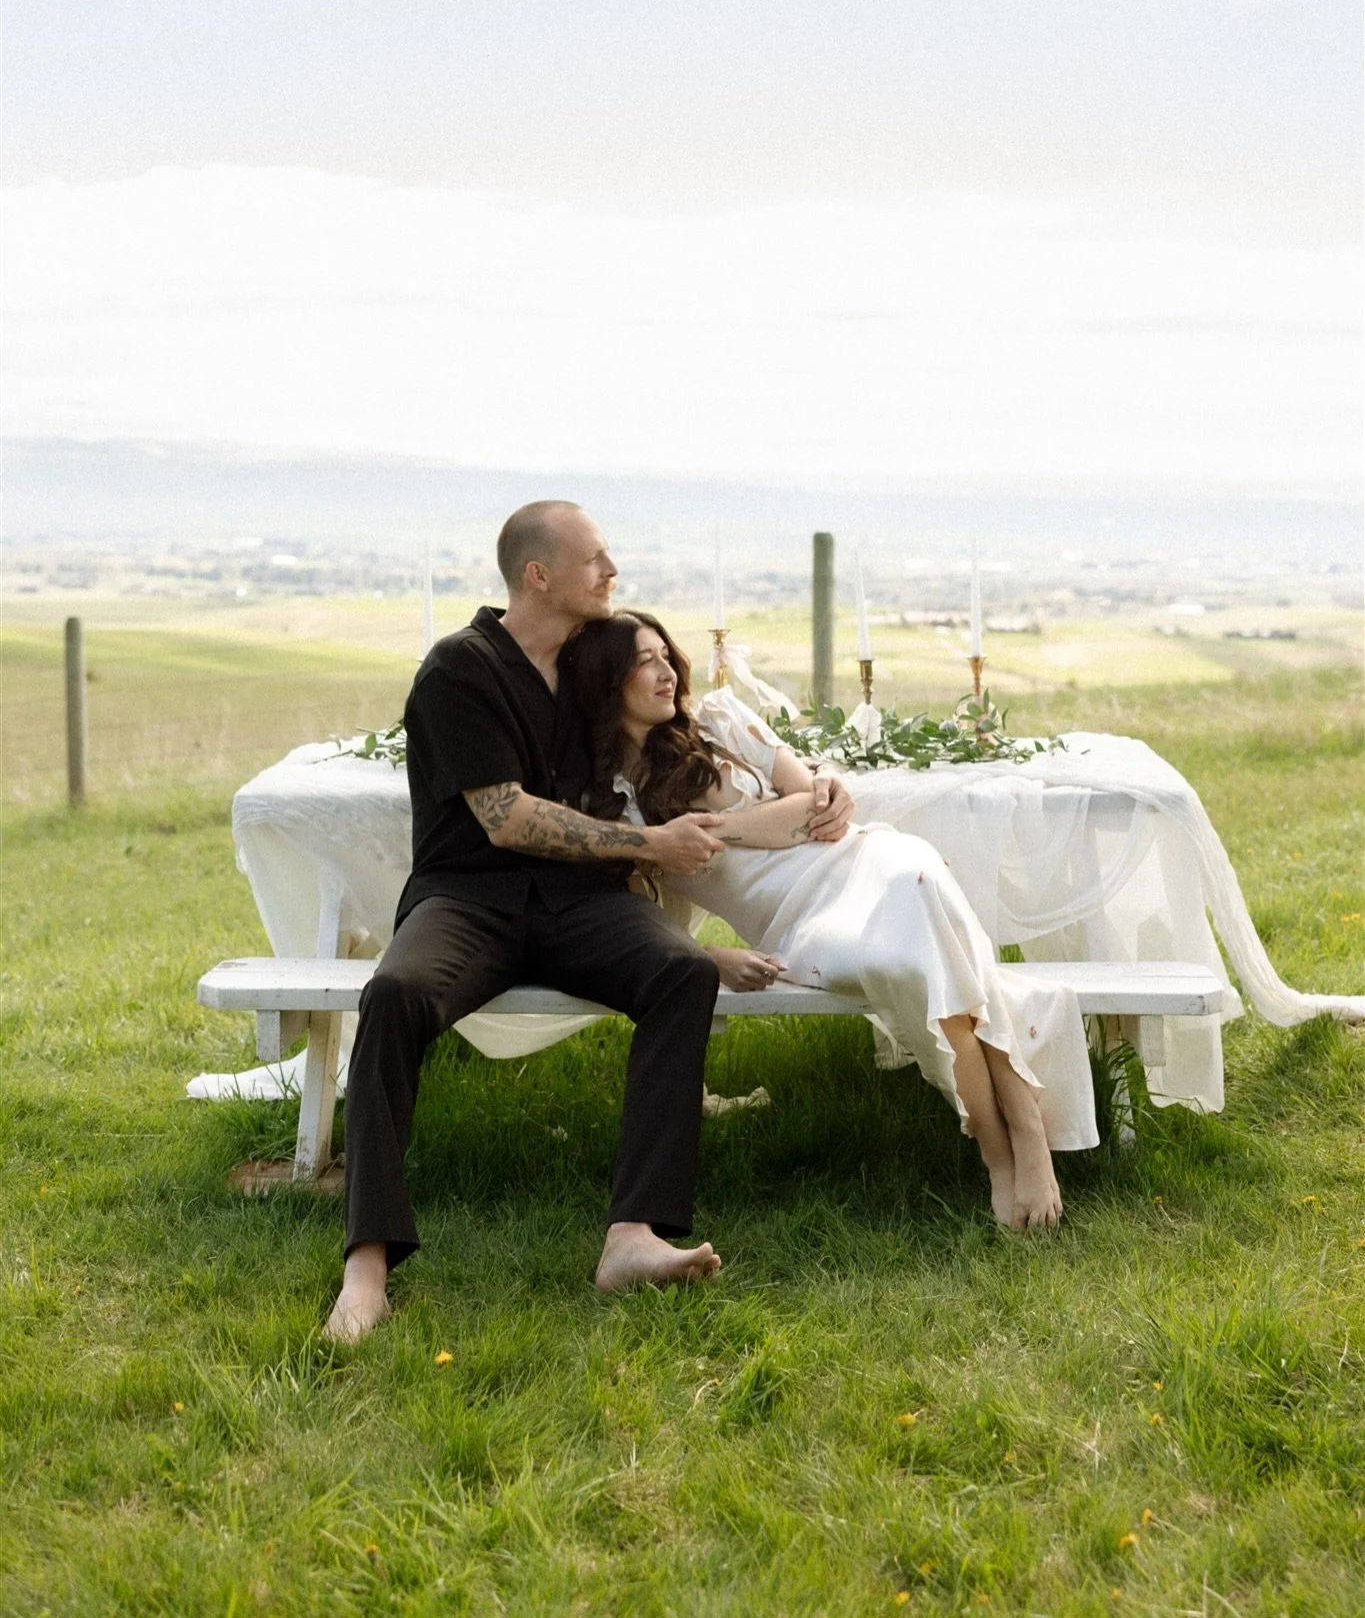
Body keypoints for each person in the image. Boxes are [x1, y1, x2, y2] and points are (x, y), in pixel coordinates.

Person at [327, 503, 854, 1342]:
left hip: (583, 902)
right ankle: (367, 1267)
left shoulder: (585, 668)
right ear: (538, 575)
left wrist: (815, 780)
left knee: (680, 973)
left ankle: (633, 1235)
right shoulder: (460, 669)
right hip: (468, 899)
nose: (612, 572)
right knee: (393, 993)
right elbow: (505, 818)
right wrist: (649, 844)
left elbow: (683, 739)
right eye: (596, 560)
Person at [567, 611, 1101, 1233]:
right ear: (608, 684)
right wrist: (713, 957)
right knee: (907, 960)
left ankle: (1018, 1142)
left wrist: (709, 831)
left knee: (917, 884)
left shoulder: (717, 719)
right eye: (644, 662)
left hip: (864, 859)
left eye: (666, 655)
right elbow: (638, 923)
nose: (665, 671)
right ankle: (1002, 1140)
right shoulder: (615, 807)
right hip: (800, 926)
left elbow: (811, 806)